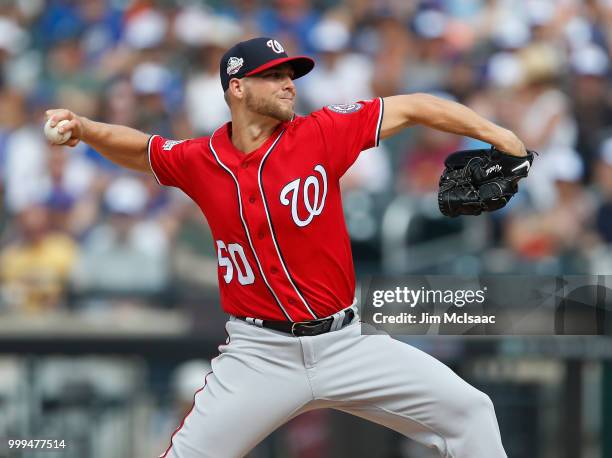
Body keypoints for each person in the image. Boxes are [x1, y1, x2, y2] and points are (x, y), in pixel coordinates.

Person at [46, 37, 527, 458]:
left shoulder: (321, 133)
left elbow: (416, 105)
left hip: (347, 341)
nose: (288, 84)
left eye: (290, 75)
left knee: (470, 412)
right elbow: (142, 148)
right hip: (260, 355)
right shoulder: (201, 159)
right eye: (273, 75)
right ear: (237, 88)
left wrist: (500, 134)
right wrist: (86, 129)